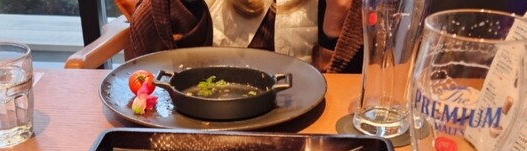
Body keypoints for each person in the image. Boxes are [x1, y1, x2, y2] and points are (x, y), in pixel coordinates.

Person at [117, 0, 364, 73]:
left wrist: (334, 25)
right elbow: (152, 65)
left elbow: (350, 106)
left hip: (307, 142)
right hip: (207, 133)